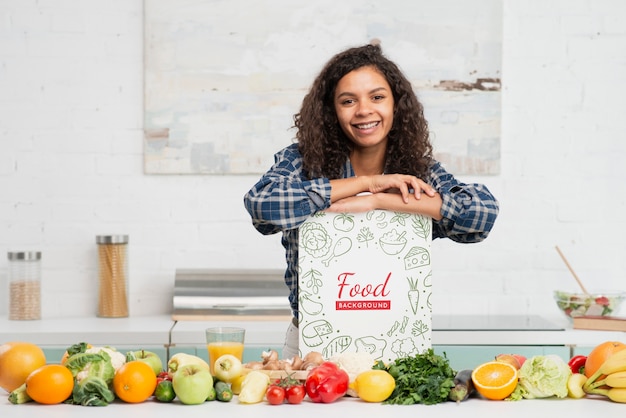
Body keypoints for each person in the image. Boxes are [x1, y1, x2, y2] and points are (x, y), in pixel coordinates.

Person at [243, 43, 499, 359]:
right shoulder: (302, 162)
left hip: (397, 345)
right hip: (311, 348)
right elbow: (261, 205)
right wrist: (366, 183)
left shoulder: (417, 170)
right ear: (331, 111)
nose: (364, 110)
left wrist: (381, 201)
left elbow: (481, 213)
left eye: (377, 97)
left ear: (396, 105)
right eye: (348, 101)